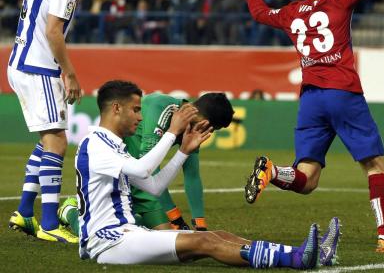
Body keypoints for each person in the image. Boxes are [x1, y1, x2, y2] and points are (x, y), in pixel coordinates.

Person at [238, 0, 384, 254]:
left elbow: (260, 14)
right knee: (374, 166)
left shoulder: (292, 11)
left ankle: (273, 172)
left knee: (307, 179)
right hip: (343, 93)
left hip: (311, 99)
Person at [74, 80, 340, 268]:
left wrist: (183, 152)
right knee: (204, 241)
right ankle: (294, 259)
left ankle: (301, 253)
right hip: (108, 240)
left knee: (218, 235)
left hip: (125, 233)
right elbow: (144, 168)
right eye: (135, 110)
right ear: (116, 108)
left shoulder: (111, 145)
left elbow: (152, 186)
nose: (140, 117)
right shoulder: (96, 143)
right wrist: (171, 132)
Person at [7, 0, 103, 243]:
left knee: (47, 141)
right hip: (38, 67)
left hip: (21, 61)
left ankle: (24, 212)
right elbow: (53, 31)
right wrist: (70, 73)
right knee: (58, 141)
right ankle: (49, 223)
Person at [125, 91, 234, 232]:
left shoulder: (194, 125)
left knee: (167, 235)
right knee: (162, 235)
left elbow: (192, 174)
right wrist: (174, 217)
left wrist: (200, 224)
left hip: (139, 177)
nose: (209, 132)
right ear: (205, 122)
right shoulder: (160, 107)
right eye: (213, 129)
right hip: (121, 174)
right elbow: (149, 167)